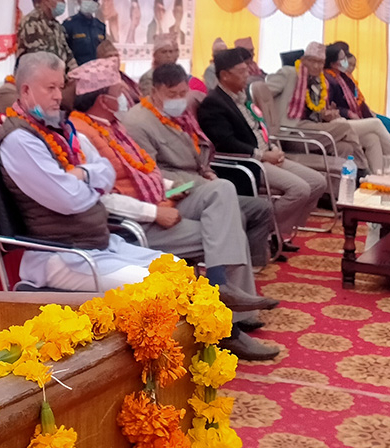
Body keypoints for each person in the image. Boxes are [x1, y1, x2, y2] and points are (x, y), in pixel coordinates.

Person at [68, 57, 281, 360]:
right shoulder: (81, 135)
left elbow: (144, 171)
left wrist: (169, 187)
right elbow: (102, 197)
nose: (126, 97)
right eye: (118, 92)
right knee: (224, 228)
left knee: (223, 190)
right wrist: (154, 212)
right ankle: (225, 324)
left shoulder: (113, 126)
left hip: (159, 198)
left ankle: (224, 299)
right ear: (103, 100)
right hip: (135, 221)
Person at [0, 52, 159, 291]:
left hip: (98, 245)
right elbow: (69, 199)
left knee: (177, 270)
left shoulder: (60, 128)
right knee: (158, 287)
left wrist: (84, 175)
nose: (58, 96)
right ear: (26, 91)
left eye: (60, 87)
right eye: (50, 88)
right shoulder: (19, 139)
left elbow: (107, 172)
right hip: (62, 255)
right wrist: (95, 189)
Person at [124, 64, 283, 268]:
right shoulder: (139, 122)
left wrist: (207, 172)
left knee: (260, 208)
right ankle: (225, 275)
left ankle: (250, 268)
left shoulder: (182, 116)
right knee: (234, 213)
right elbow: (151, 174)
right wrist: (197, 183)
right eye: (172, 94)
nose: (179, 99)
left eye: (183, 93)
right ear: (154, 91)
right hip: (176, 192)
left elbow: (199, 155)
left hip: (199, 183)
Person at [198, 48, 325, 250]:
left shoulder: (242, 96)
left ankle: (276, 233)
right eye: (242, 71)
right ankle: (264, 233)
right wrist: (263, 155)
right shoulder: (213, 103)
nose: (247, 75)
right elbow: (225, 142)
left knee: (318, 182)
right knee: (300, 189)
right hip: (249, 161)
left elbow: (258, 127)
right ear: (225, 75)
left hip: (267, 154)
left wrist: (273, 147)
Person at [264, 43, 366, 166]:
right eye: (313, 61)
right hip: (290, 131)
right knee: (345, 127)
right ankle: (363, 168)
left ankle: (345, 177)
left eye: (320, 62)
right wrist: (268, 121)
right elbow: (261, 93)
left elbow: (314, 111)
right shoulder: (289, 73)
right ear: (304, 60)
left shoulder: (317, 81)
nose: (317, 66)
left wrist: (325, 116)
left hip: (310, 129)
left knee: (345, 147)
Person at [325, 43, 390, 173]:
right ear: (333, 63)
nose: (346, 62)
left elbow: (356, 100)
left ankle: (377, 177)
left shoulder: (343, 77)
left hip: (347, 121)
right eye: (343, 59)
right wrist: (348, 113)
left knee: (372, 139)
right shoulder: (328, 79)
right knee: (376, 124)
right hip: (336, 124)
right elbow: (330, 107)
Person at [16, 0, 76, 71]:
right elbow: (40, 60)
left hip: (56, 76)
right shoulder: (32, 22)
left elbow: (67, 55)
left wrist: (75, 73)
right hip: (38, 77)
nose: (63, 2)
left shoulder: (56, 25)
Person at [64, 0, 107, 65]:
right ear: (80, 0)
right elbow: (64, 52)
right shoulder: (69, 24)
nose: (91, 2)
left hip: (96, 69)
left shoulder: (100, 26)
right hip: (76, 69)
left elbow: (103, 51)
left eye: (94, 0)